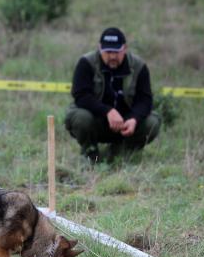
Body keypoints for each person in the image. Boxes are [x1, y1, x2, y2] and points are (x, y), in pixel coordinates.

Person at [64, 27, 160, 162]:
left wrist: (134, 119)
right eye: (108, 52)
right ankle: (92, 156)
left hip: (127, 124)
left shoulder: (139, 66)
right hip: (96, 121)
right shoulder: (86, 63)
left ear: (125, 48)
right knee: (81, 117)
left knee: (152, 122)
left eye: (117, 51)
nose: (113, 56)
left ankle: (122, 153)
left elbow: (145, 100)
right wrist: (108, 111)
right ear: (99, 48)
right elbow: (80, 96)